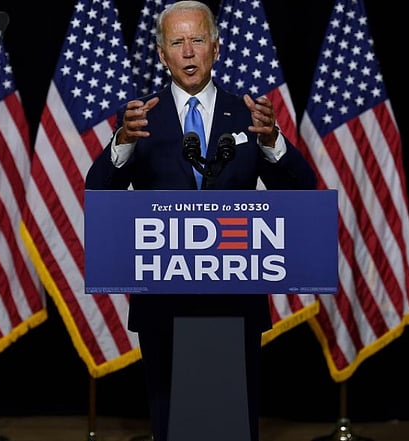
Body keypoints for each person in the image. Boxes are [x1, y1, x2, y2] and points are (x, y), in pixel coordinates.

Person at [85, 2, 318, 441]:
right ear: (161, 54)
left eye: (197, 40)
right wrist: (120, 143)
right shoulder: (140, 119)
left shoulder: (247, 114)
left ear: (215, 47)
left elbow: (303, 188)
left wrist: (272, 141)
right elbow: (98, 192)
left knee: (233, 423)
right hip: (163, 299)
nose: (188, 51)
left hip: (235, 298)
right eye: (177, 42)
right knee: (171, 424)